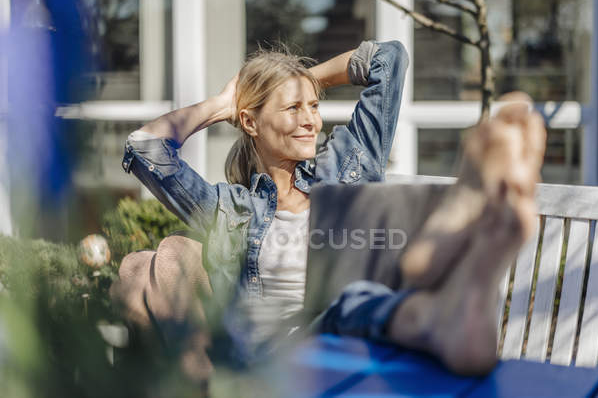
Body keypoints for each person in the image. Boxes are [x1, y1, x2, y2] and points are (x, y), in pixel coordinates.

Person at [114, 40, 546, 380]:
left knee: (358, 294)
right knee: (350, 300)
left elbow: (388, 60)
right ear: (250, 123)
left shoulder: (346, 166)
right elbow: (147, 149)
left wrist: (299, 82)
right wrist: (224, 105)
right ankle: (443, 283)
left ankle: (447, 293)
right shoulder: (229, 208)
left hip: (362, 338)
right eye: (293, 108)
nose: (312, 121)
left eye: (315, 106)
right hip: (277, 355)